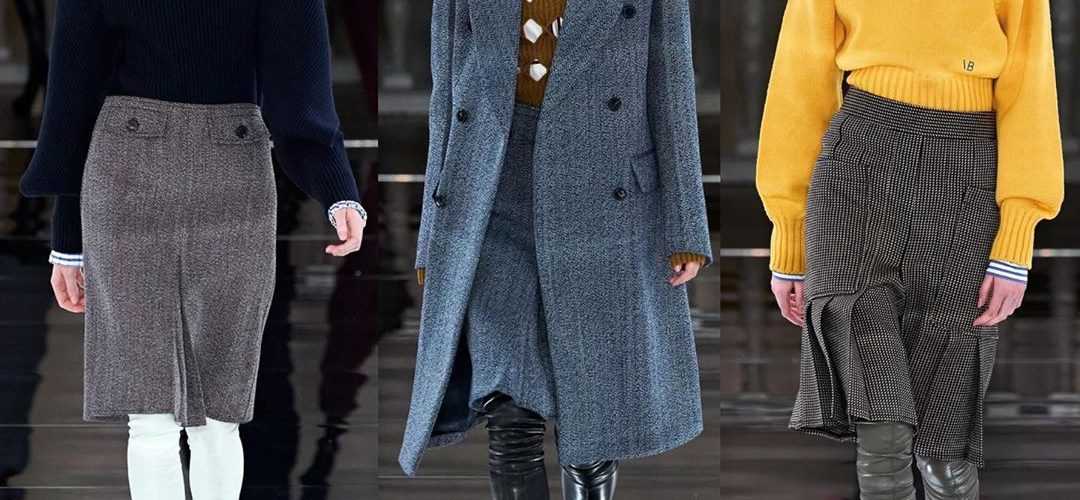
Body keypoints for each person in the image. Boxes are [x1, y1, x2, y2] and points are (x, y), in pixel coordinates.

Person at [18, 1, 367, 499]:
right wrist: (338, 191)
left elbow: (75, 91)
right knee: (207, 415)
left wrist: (69, 242)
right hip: (215, 169)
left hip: (138, 168)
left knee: (168, 416)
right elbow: (299, 92)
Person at [400, 1, 712, 499]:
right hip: (493, 187)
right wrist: (435, 236)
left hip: (603, 189)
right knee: (508, 410)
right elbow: (448, 93)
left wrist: (686, 224)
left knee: (592, 423)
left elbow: (672, 84)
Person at [755, 1, 1064, 498]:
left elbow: (1030, 82)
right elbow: (800, 75)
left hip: (968, 169)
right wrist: (789, 235)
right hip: (859, 164)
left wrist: (1016, 240)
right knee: (881, 429)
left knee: (944, 447)